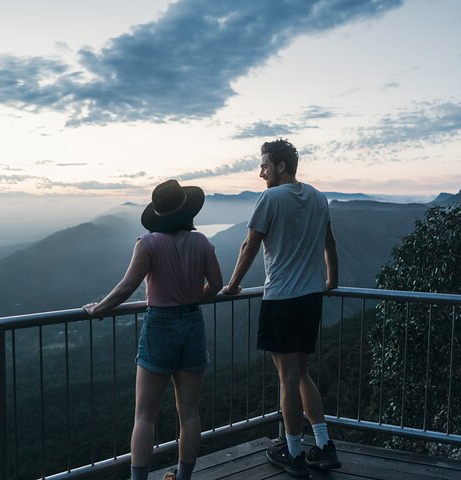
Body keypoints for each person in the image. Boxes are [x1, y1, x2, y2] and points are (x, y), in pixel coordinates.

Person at [83, 179, 223, 480]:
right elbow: (218, 285)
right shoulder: (203, 243)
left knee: (145, 415)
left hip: (160, 326)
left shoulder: (148, 244)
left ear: (158, 215)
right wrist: (191, 299)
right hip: (193, 324)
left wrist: (98, 309)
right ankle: (184, 476)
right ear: (186, 211)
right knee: (189, 413)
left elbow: (125, 288)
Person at [221, 139, 340, 478]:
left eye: (264, 166)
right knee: (301, 374)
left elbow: (249, 245)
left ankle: (293, 452)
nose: (261, 173)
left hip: (283, 299)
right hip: (310, 298)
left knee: (287, 380)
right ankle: (324, 444)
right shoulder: (318, 197)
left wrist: (232, 285)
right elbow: (329, 242)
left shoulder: (270, 198)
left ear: (281, 167)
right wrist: (333, 281)